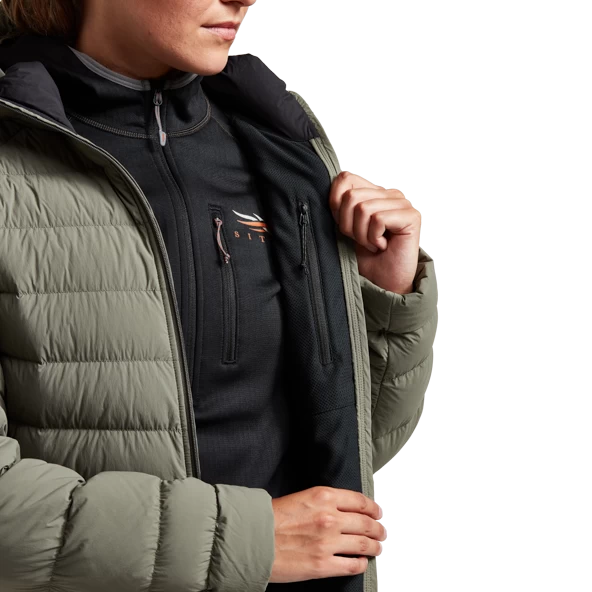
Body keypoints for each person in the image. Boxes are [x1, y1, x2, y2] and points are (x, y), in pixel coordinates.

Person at [0, 0, 439, 590]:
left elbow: (350, 446)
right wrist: (249, 538)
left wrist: (384, 294)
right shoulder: (14, 156)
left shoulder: (274, 142)